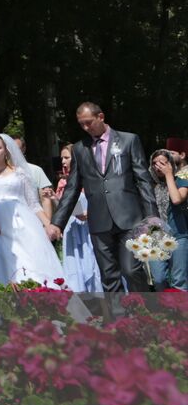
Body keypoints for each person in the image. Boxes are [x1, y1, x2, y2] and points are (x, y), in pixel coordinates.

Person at [50, 102, 155, 293]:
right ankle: (117, 320)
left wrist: (152, 218)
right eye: (81, 124)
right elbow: (72, 188)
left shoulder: (128, 140)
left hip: (129, 218)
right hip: (99, 221)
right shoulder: (80, 149)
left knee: (131, 270)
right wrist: (57, 223)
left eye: (89, 122)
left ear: (101, 117)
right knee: (108, 275)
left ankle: (144, 315)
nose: (85, 127)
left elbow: (143, 181)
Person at [0, 134, 65, 286]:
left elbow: (33, 203)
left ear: (6, 150)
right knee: (3, 265)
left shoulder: (20, 173)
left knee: (29, 262)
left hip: (22, 224)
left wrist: (48, 224)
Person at [55, 143, 101, 293]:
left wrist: (90, 213)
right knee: (74, 265)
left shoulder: (92, 178)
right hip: (72, 227)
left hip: (90, 227)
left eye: (66, 157)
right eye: (62, 158)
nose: (63, 162)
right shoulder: (63, 182)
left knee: (93, 265)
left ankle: (105, 307)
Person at [148, 149, 188, 289]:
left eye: (163, 163)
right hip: (156, 237)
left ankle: (181, 310)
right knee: (158, 278)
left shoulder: (181, 180)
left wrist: (169, 174)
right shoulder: (148, 184)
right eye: (154, 163)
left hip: (178, 234)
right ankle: (165, 308)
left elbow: (177, 199)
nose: (158, 166)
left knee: (179, 280)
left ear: (170, 164)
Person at [10, 135, 55, 221]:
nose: (14, 153)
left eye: (17, 149)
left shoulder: (36, 170)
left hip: (34, 219)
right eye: (11, 149)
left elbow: (45, 198)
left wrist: (47, 223)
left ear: (23, 149)